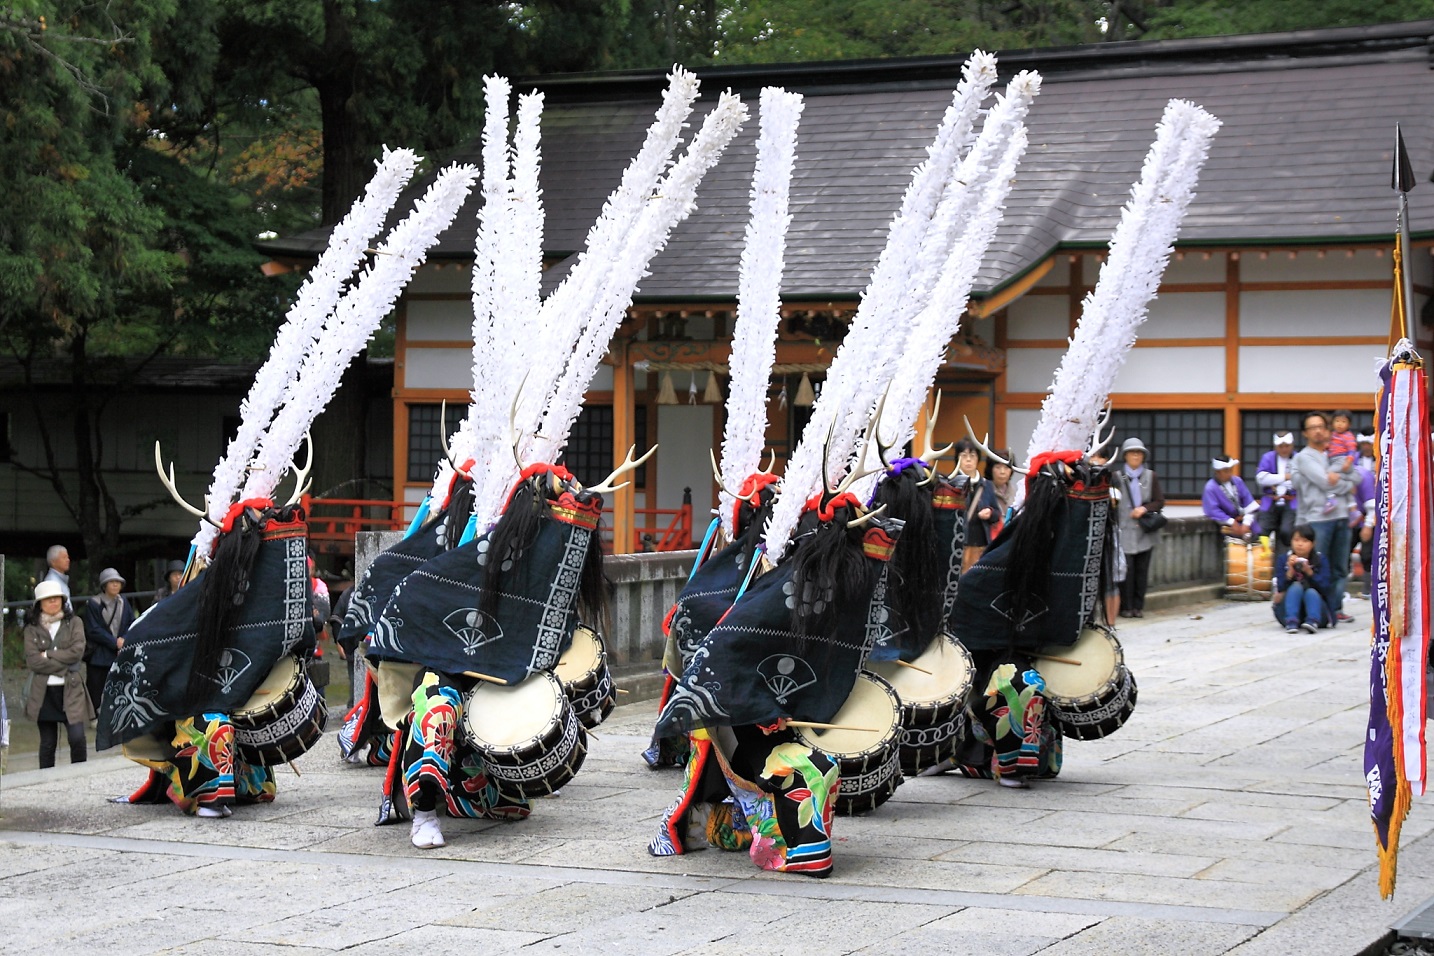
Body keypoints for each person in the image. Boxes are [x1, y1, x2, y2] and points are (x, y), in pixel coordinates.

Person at [1292, 411, 1358, 624]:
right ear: (1305, 433)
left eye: (1321, 426)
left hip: (1342, 516)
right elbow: (1324, 481)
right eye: (1313, 427)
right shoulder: (1304, 457)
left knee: (1340, 567)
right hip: (1318, 518)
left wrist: (1346, 480)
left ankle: (1335, 608)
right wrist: (1346, 484)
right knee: (1319, 565)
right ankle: (1317, 610)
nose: (1318, 431)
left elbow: (1356, 475)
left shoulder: (1335, 453)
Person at [24, 580, 91, 768]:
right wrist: (64, 665)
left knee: (77, 737)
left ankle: (78, 775)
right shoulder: (31, 629)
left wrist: (48, 654)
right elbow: (33, 661)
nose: (53, 602)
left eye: (57, 598)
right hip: (43, 692)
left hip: (71, 688)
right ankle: (46, 779)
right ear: (39, 604)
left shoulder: (74, 622)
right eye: (48, 599)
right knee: (47, 743)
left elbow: (77, 651)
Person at [1111, 437, 1164, 618]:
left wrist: (1144, 508)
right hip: (1124, 529)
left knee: (1142, 571)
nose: (1136, 456)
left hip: (1144, 531)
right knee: (1126, 570)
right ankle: (1126, 607)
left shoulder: (1151, 476)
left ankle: (1138, 607)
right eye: (1132, 453)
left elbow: (1159, 501)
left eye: (1139, 453)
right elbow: (1111, 502)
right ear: (1125, 456)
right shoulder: (1116, 477)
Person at [83, 568, 134, 713]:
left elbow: (131, 622)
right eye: (112, 582)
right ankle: (93, 714)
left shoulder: (123, 602)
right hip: (99, 653)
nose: (115, 585)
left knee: (119, 683)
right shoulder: (94, 603)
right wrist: (114, 642)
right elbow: (93, 629)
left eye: (118, 582)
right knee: (95, 685)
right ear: (104, 585)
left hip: (119, 651)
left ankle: (116, 713)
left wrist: (124, 638)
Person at [1272, 524, 1332, 633]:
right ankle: (1291, 621)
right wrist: (1290, 571)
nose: (1300, 544)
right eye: (1296, 540)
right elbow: (1279, 588)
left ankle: (1312, 621)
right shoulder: (1283, 559)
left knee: (1311, 592)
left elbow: (1326, 588)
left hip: (1318, 611)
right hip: (1286, 612)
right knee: (1296, 586)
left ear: (1313, 543)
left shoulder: (1320, 559)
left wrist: (1309, 572)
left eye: (1305, 541)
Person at [953, 438, 998, 573]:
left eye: (972, 456)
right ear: (957, 458)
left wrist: (990, 513)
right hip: (959, 547)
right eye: (963, 456)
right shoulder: (950, 484)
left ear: (978, 459)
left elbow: (996, 513)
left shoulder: (986, 485)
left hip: (982, 546)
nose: (968, 460)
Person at [1256, 433, 1298, 550]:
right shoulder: (1268, 457)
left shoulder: (1299, 458)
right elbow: (1261, 478)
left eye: (1287, 446)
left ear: (1292, 445)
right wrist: (1285, 477)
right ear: (1275, 446)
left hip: (1292, 501)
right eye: (1280, 446)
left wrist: (1274, 479)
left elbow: (1300, 479)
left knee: (1287, 532)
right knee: (1261, 531)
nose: (1284, 449)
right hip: (1270, 500)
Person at [1201, 457, 1260, 540]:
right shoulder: (1210, 488)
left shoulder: (1237, 481)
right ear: (1217, 472)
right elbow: (1212, 511)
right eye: (1226, 471)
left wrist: (1246, 523)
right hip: (1228, 528)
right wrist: (1231, 522)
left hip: (1248, 524)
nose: (1229, 474)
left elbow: (1249, 503)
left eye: (1230, 470)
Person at [986, 452, 1017, 533]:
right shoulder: (984, 491)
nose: (1002, 472)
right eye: (998, 467)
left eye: (1006, 468)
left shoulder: (1016, 493)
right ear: (990, 469)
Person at [42, 544, 72, 613]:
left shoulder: (59, 580)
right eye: (64, 558)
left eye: (68, 557)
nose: (68, 560)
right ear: (53, 562)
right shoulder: (52, 582)